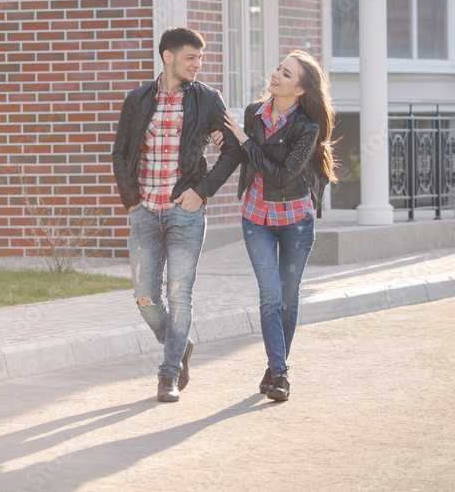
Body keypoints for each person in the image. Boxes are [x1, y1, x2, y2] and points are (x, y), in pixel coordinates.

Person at [111, 26, 240, 402]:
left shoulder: (207, 100)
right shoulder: (137, 100)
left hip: (185, 213)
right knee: (145, 296)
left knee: (180, 294)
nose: (198, 64)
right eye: (190, 58)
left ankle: (168, 375)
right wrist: (130, 201)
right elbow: (120, 154)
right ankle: (180, 345)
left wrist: (201, 192)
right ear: (168, 57)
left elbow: (232, 150)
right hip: (145, 212)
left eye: (200, 58)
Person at [220, 49, 336, 402]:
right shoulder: (254, 114)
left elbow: (283, 174)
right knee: (270, 296)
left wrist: (244, 140)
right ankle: (281, 374)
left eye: (286, 74)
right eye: (278, 69)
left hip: (295, 220)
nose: (276, 76)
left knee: (287, 299)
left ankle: (273, 370)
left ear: (300, 90)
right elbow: (244, 155)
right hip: (256, 217)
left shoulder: (308, 128)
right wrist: (229, 141)